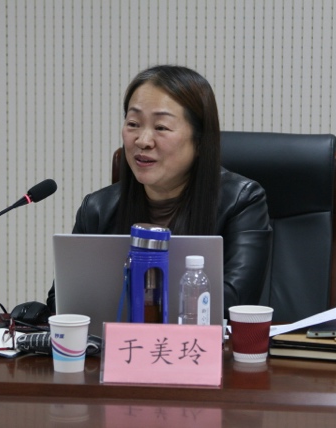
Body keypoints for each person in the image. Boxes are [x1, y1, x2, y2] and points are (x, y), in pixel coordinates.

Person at [47, 65, 271, 319]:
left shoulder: (241, 201)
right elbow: (63, 300)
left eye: (161, 127)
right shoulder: (98, 208)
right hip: (112, 344)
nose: (143, 140)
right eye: (133, 124)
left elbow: (234, 304)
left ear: (200, 141)